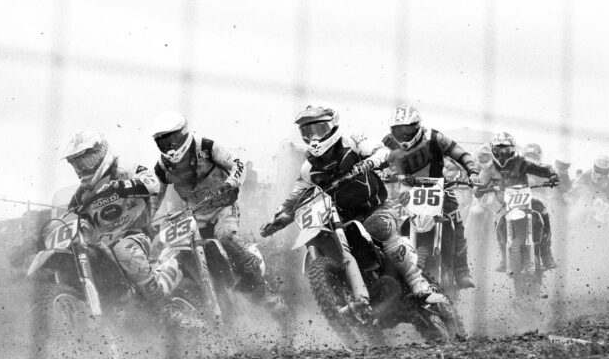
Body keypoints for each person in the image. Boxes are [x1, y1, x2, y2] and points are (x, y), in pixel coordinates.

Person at [259, 105, 444, 303]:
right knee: (324, 241)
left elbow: (382, 151)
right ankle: (344, 300)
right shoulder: (308, 169)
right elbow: (294, 197)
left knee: (379, 226)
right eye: (307, 132)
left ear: (333, 127)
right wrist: (279, 218)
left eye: (319, 130)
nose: (313, 138)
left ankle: (418, 283)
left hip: (373, 208)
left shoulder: (353, 142)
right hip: (341, 221)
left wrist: (370, 162)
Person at [148, 111, 283, 310]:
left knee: (225, 235)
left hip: (223, 205)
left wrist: (231, 183)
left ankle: (262, 289)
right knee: (180, 251)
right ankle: (195, 295)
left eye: (174, 140)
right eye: (164, 143)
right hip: (195, 216)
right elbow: (154, 198)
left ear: (184, 133)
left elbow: (237, 163)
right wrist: (147, 222)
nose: (170, 147)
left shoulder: (205, 146)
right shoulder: (162, 167)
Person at [62, 131, 181, 304]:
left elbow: (153, 184)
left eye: (86, 162)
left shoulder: (125, 169)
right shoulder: (81, 195)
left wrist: (121, 186)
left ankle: (162, 305)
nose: (82, 170)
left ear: (101, 153)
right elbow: (70, 219)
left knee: (124, 249)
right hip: (102, 246)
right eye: (77, 166)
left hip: (134, 236)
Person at [381, 105, 480, 288]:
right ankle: (393, 274)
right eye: (399, 130)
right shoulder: (387, 143)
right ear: (392, 130)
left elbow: (461, 153)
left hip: (439, 186)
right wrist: (379, 172)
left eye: (409, 129)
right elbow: (376, 161)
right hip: (407, 191)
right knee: (395, 225)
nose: (404, 134)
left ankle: (461, 270)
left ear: (418, 126)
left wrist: (472, 172)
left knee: (454, 218)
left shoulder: (435, 137)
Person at [477, 132, 559, 270]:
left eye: (506, 149)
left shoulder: (521, 162)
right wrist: (478, 188)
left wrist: (552, 174)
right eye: (498, 149)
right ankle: (504, 257)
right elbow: (479, 185)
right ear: (493, 150)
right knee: (497, 220)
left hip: (527, 200)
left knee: (543, 212)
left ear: (513, 149)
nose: (502, 153)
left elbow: (542, 168)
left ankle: (546, 254)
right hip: (506, 204)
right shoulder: (489, 168)